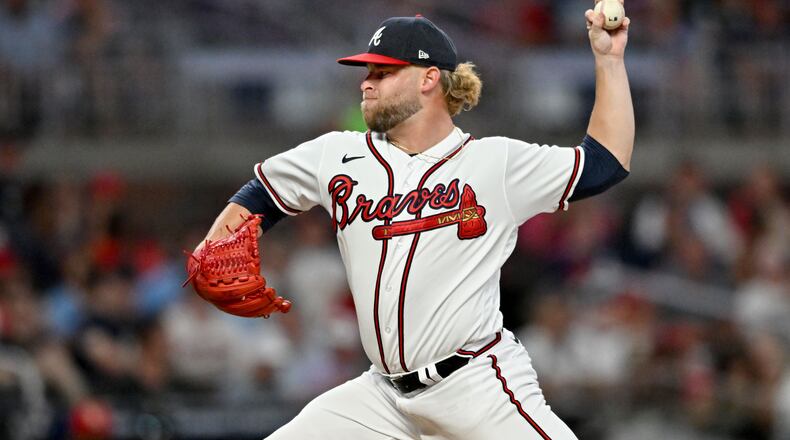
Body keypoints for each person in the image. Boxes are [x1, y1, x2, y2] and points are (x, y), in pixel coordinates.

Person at [195, 5, 634, 439]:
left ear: (428, 79)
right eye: (367, 72)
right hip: (381, 396)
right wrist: (211, 249)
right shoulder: (336, 155)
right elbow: (261, 193)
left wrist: (610, 61)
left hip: (476, 385)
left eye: (384, 73)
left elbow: (604, 162)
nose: (367, 83)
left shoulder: (494, 163)